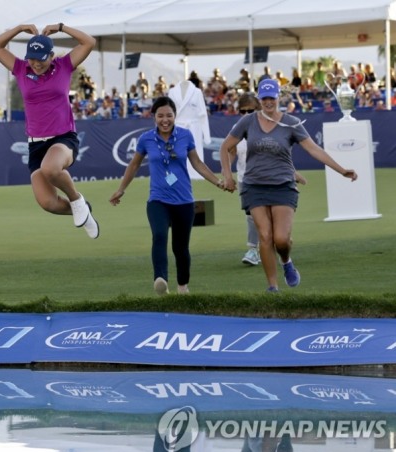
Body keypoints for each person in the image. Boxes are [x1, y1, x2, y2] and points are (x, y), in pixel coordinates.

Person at [219, 79, 358, 293]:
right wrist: (227, 176)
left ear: (278, 98)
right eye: (264, 98)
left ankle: (286, 262)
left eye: (271, 98)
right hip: (254, 187)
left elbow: (314, 149)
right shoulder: (248, 122)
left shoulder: (291, 122)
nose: (268, 102)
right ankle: (272, 287)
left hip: (283, 185)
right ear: (259, 99)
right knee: (264, 236)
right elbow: (225, 146)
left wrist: (341, 169)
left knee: (281, 240)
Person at [0, 23, 99, 238]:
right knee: (48, 203)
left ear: (51, 55)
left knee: (51, 169)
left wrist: (61, 27)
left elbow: (89, 42)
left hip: (63, 138)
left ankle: (76, 200)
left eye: (41, 58)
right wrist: (19, 29)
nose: (36, 63)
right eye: (32, 58)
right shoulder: (21, 69)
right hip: (35, 144)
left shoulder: (64, 65)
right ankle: (85, 209)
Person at [109, 96, 226, 296]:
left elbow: (197, 163)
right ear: (153, 117)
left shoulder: (185, 136)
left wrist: (217, 181)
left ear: (175, 116)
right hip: (158, 200)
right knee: (160, 236)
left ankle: (183, 286)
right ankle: (160, 280)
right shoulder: (146, 139)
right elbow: (134, 164)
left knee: (181, 248)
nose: (165, 120)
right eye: (160, 116)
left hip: (184, 200)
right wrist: (121, 189)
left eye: (169, 115)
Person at [227, 94, 307, 267]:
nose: (246, 113)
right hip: (246, 179)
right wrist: (227, 174)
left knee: (272, 220)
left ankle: (280, 244)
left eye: (250, 110)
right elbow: (230, 150)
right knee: (252, 218)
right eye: (242, 111)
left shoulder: (272, 124)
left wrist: (293, 173)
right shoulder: (239, 126)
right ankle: (253, 250)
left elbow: (278, 155)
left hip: (273, 179)